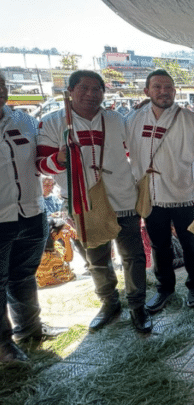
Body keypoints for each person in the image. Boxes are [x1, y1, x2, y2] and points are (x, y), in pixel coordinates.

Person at [37, 71, 150, 333]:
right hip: (84, 202)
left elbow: (136, 144)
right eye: (84, 88)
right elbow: (40, 163)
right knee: (97, 259)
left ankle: (137, 306)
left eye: (96, 89)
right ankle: (110, 303)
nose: (91, 94)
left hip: (122, 197)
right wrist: (59, 159)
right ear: (70, 91)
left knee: (133, 255)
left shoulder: (115, 118)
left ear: (103, 92)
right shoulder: (53, 122)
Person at [125, 69, 194, 312]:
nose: (163, 91)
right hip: (151, 195)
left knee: (191, 243)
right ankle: (165, 289)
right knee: (160, 245)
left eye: (168, 87)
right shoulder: (132, 119)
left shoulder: (191, 119)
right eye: (157, 87)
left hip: (183, 194)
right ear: (146, 91)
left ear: (175, 91)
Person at [0, 73, 64, 363]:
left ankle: (31, 330)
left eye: (2, 85)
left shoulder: (23, 120)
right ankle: (3, 345)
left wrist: (57, 160)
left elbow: (40, 160)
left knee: (23, 276)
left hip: (32, 212)